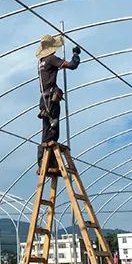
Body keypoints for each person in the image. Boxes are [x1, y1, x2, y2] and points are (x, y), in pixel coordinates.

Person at [36, 34, 81, 169]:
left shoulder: (41, 62)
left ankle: (42, 162)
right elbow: (72, 66)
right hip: (51, 99)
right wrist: (75, 54)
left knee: (46, 131)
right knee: (53, 130)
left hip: (44, 100)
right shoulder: (51, 59)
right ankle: (50, 162)